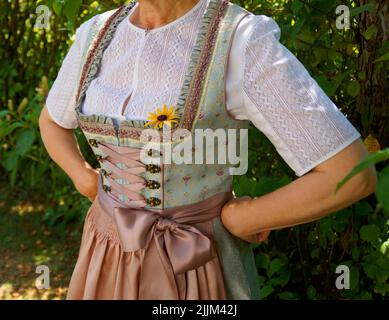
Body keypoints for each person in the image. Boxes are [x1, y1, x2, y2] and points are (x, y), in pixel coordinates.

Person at [39, 0, 377, 300]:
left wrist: (244, 217)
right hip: (105, 252)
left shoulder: (240, 40)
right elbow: (52, 122)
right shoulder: (96, 33)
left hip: (196, 262)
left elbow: (350, 173)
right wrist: (83, 177)